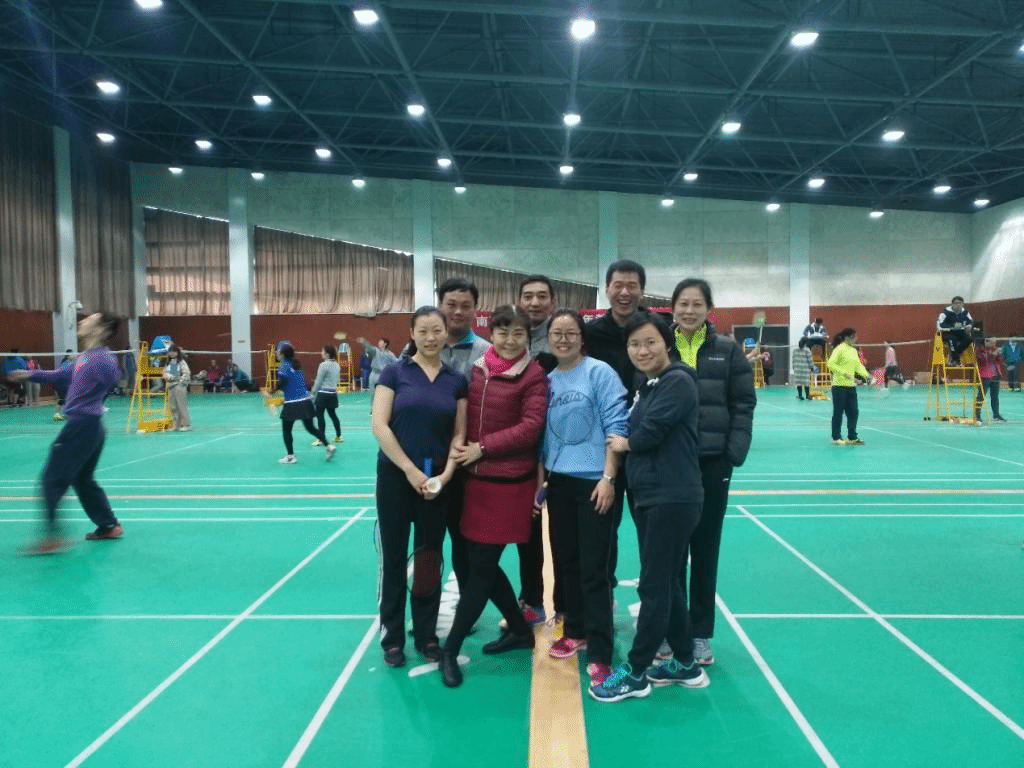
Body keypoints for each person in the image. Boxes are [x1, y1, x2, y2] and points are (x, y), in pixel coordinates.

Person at [593, 311, 708, 701]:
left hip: (671, 497)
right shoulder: (649, 383)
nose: (642, 350)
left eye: (650, 342)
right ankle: (685, 662)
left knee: (655, 584)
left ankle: (637, 671)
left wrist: (626, 443)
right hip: (651, 496)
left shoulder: (678, 381)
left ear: (668, 345)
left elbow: (648, 432)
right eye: (634, 344)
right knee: (669, 582)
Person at [440, 305, 549, 688]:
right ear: (492, 333)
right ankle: (519, 630)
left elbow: (531, 426)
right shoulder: (478, 368)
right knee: (478, 564)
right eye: (503, 332)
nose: (509, 340)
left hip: (510, 485)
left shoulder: (533, 375)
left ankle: (450, 649)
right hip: (475, 483)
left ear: (527, 337)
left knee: (481, 569)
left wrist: (482, 448)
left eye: (518, 333)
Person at [372, 307, 468, 669]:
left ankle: (427, 634)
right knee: (394, 559)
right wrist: (411, 471)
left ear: (446, 333)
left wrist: (446, 475)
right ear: (412, 333)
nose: (430, 337)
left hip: (436, 482)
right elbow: (380, 426)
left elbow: (459, 434)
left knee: (429, 559)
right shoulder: (395, 372)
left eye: (436, 330)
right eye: (423, 331)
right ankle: (392, 637)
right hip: (396, 478)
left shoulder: (455, 380)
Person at [667, 278, 755, 667]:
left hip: (712, 462)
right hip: (669, 465)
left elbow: (743, 403)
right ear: (672, 308)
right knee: (669, 552)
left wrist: (732, 452)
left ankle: (700, 632)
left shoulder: (727, 350)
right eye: (683, 304)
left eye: (696, 304)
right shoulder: (660, 344)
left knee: (705, 549)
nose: (689, 311)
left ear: (708, 309)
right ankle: (671, 628)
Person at [543, 309, 628, 688]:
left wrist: (609, 478)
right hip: (559, 483)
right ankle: (575, 630)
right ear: (549, 339)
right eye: (557, 333)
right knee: (568, 563)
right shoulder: (547, 381)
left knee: (595, 570)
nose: (563, 339)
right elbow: (545, 437)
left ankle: (600, 651)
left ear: (582, 337)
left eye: (570, 333)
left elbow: (616, 426)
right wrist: (543, 483)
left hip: (595, 482)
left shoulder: (600, 373)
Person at [10, 313, 124, 554]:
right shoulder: (87, 357)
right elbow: (60, 375)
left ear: (101, 329)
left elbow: (114, 376)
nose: (82, 321)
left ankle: (52, 538)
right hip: (91, 427)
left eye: (90, 319)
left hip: (82, 426)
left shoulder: (102, 359)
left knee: (51, 479)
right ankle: (108, 525)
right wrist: (29, 374)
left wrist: (95, 397)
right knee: (82, 479)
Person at [582, 259, 645, 601]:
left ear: (642, 291)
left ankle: (658, 604)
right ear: (606, 289)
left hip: (646, 448)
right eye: (618, 285)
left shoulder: (655, 329)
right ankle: (602, 601)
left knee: (652, 531)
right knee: (603, 529)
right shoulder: (590, 335)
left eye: (631, 285)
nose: (624, 292)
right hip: (603, 449)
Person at [511, 274, 560, 627]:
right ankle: (531, 600)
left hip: (562, 453)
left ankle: (570, 606)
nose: (534, 302)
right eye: (528, 296)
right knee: (527, 531)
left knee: (565, 533)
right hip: (522, 453)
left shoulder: (561, 337)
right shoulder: (509, 341)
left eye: (542, 296)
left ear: (552, 302)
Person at [437, 277, 490, 594]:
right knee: (429, 542)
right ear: (439, 305)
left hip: (469, 464)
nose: (458, 312)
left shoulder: (488, 354)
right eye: (451, 304)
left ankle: (468, 606)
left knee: (465, 540)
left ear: (475, 310)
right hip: (428, 461)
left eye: (465, 306)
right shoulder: (419, 348)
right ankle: (426, 610)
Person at [266, 344, 335, 464]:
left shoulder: (283, 367)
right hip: (306, 401)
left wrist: (270, 392)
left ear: (282, 354)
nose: (276, 353)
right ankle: (329, 446)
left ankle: (290, 456)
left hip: (293, 403)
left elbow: (281, 384)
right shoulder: (297, 365)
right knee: (311, 428)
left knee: (286, 430)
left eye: (278, 351)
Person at [828, 328, 872, 445]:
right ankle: (836, 437)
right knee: (838, 413)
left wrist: (868, 376)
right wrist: (844, 373)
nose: (856, 339)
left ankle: (852, 437)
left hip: (851, 387)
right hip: (839, 386)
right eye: (854, 337)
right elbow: (830, 364)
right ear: (847, 338)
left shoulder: (853, 350)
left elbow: (858, 366)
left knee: (853, 412)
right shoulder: (839, 349)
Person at [311, 344, 344, 445]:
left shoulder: (323, 365)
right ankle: (339, 436)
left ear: (327, 354)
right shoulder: (337, 365)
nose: (321, 353)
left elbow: (318, 381)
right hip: (332, 394)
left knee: (320, 416)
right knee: (333, 415)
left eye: (323, 351)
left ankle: (321, 438)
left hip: (322, 394)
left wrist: (313, 392)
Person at [975, 337, 1006, 422]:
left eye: (994, 343)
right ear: (986, 342)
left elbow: (1001, 361)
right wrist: (993, 355)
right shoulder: (980, 350)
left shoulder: (995, 350)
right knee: (981, 396)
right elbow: (984, 360)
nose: (994, 345)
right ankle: (977, 415)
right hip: (985, 376)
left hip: (995, 375)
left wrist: (999, 355)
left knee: (995, 396)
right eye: (992, 343)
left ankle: (996, 415)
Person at [163, 344, 192, 432]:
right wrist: (167, 376)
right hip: (170, 386)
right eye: (170, 352)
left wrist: (181, 383)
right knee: (173, 407)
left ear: (177, 352)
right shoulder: (168, 362)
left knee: (182, 406)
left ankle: (186, 424)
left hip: (179, 386)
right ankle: (176, 425)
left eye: (173, 352)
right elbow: (164, 373)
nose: (171, 353)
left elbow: (186, 373)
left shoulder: (181, 362)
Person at [937, 296, 974, 365]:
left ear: (962, 304)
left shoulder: (965, 313)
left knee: (969, 338)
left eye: (960, 303)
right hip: (948, 333)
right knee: (952, 340)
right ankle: (956, 360)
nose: (958, 305)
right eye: (956, 303)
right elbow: (940, 325)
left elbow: (970, 322)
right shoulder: (946, 312)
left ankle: (954, 355)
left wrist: (969, 327)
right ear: (952, 304)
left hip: (960, 332)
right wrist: (952, 326)